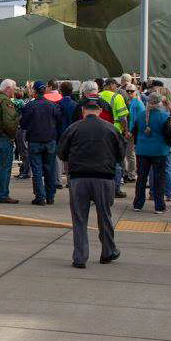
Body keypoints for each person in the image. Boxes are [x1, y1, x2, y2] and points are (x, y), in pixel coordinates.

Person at [57, 83, 124, 269]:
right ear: (100, 110)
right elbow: (121, 155)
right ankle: (108, 251)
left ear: (83, 110)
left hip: (79, 178)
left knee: (79, 218)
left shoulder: (74, 128)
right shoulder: (111, 129)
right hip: (104, 178)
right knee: (105, 216)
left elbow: (61, 153)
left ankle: (80, 257)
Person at [21, 80, 63, 205]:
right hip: (50, 140)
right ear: (45, 91)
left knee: (37, 170)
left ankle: (40, 196)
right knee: (50, 169)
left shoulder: (30, 106)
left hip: (34, 140)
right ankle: (50, 196)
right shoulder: (53, 106)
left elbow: (23, 124)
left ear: (34, 91)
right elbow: (59, 121)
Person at [131, 90, 171, 212]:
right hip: (159, 151)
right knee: (159, 179)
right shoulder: (164, 116)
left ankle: (138, 204)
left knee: (141, 178)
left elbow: (134, 131)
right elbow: (169, 134)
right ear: (159, 103)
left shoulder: (141, 115)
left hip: (143, 150)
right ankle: (159, 206)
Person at [0, 79, 23, 204]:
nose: (15, 90)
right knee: (5, 167)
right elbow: (9, 122)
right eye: (14, 88)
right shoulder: (6, 101)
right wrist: (12, 136)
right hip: (3, 137)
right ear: (7, 88)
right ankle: (3, 194)